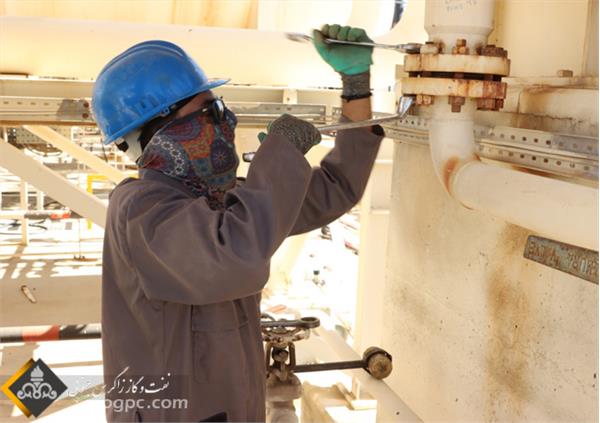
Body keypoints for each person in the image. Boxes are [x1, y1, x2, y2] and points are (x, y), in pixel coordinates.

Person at [93, 24, 385, 422]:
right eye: (211, 111)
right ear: (162, 130)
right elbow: (232, 256)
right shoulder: (139, 210)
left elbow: (334, 189)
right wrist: (279, 157)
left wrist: (356, 87)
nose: (227, 121)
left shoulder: (218, 201)